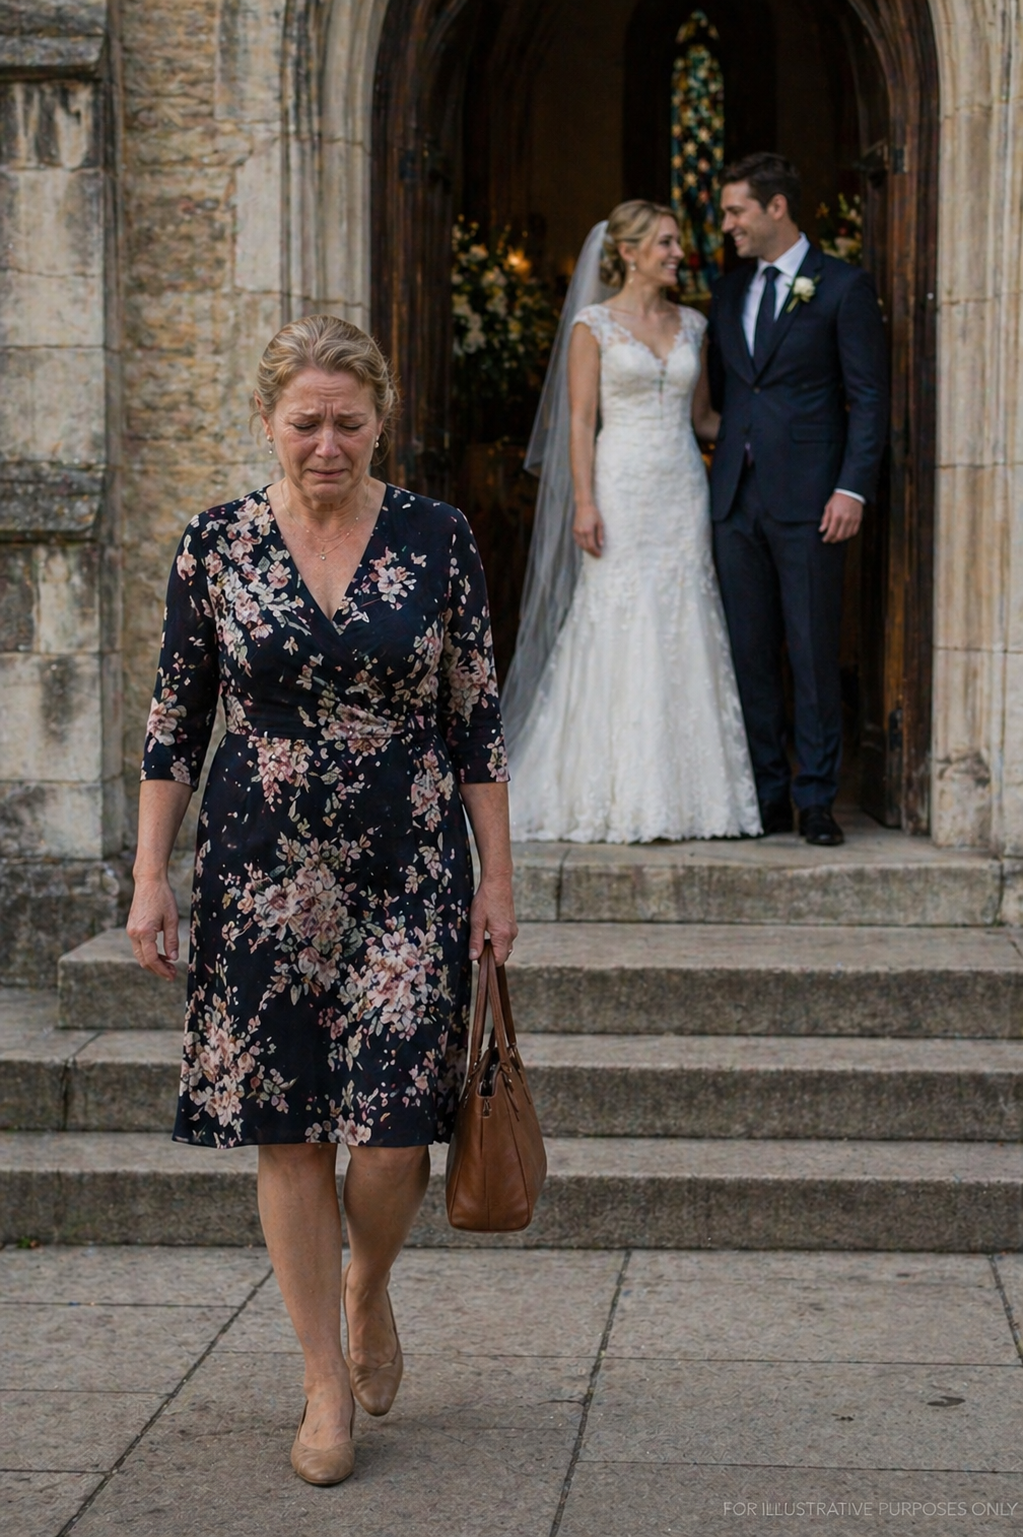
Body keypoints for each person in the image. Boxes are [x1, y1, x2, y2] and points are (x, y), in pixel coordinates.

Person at [126, 314, 516, 1486]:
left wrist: (499, 874)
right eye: (306, 422)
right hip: (259, 873)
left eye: (349, 421)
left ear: (381, 418)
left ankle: (367, 1282)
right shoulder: (216, 543)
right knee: (287, 1128)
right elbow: (175, 721)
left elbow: (476, 716)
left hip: (409, 868)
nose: (328, 444)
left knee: (394, 1132)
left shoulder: (439, 537)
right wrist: (149, 873)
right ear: (267, 422)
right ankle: (322, 1383)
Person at [504, 201, 761, 843]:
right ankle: (614, 788)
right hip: (619, 487)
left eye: (676, 243)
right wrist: (584, 501)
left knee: (685, 613)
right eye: (666, 243)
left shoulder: (694, 324)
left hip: (682, 488)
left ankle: (692, 796)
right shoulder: (593, 325)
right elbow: (579, 421)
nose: (678, 253)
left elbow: (703, 418)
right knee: (618, 614)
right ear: (628, 252)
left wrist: (770, 435)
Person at [709, 152, 889, 846]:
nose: (727, 224)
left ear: (775, 207)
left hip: (814, 500)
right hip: (735, 500)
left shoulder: (842, 286)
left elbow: (868, 398)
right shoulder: (729, 291)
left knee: (812, 653)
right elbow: (730, 394)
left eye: (736, 211)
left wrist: (851, 487)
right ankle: (767, 795)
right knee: (750, 653)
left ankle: (816, 799)